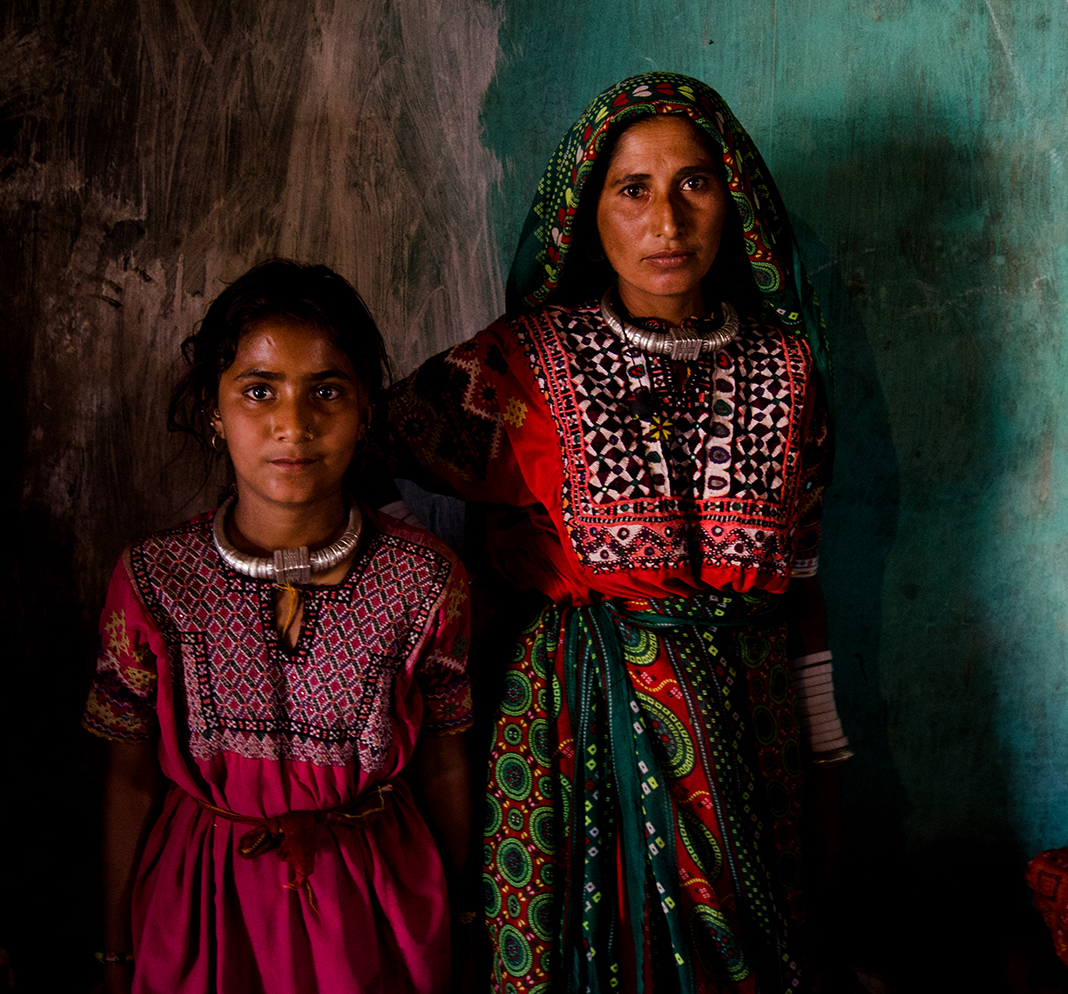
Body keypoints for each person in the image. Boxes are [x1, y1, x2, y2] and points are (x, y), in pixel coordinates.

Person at [387, 73, 853, 993]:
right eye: (631, 189)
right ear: (584, 212)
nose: (666, 224)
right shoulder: (526, 358)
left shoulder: (790, 368)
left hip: (752, 735)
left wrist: (829, 757)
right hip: (574, 726)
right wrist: (465, 557)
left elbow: (800, 578)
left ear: (737, 201)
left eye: (694, 184)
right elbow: (363, 447)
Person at [83, 260, 474, 994]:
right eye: (258, 391)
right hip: (203, 916)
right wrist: (114, 953)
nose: (293, 425)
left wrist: (464, 923)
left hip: (379, 916)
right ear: (213, 410)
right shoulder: (154, 581)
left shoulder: (427, 583)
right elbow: (129, 783)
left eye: (326, 391)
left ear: (364, 412)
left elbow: (446, 765)